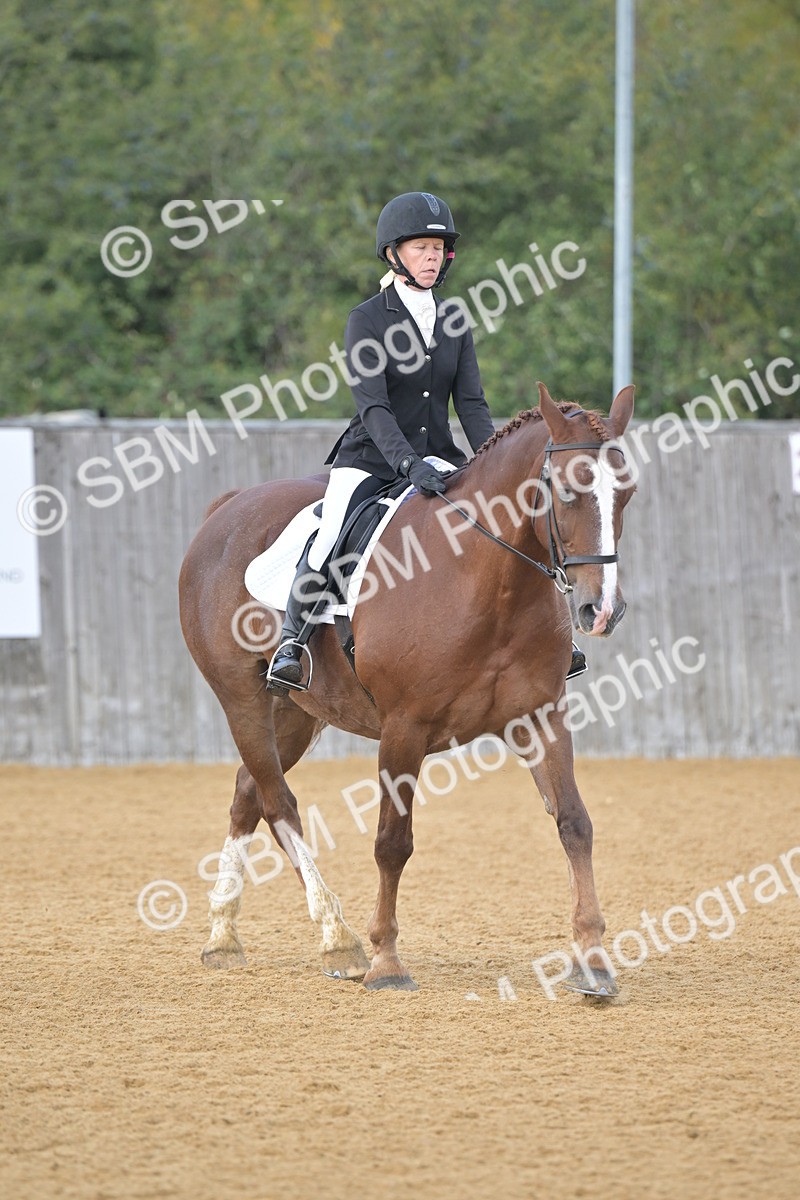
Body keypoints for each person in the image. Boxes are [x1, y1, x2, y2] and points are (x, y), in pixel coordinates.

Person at [267, 190, 586, 690]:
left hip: (442, 455)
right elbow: (373, 406)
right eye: (421, 248)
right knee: (331, 529)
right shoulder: (367, 319)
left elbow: (473, 405)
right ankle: (293, 640)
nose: (432, 257)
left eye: (439, 249)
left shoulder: (454, 318)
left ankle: (552, 636)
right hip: (373, 457)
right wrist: (407, 463)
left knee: (515, 519)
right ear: (395, 254)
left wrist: (494, 461)